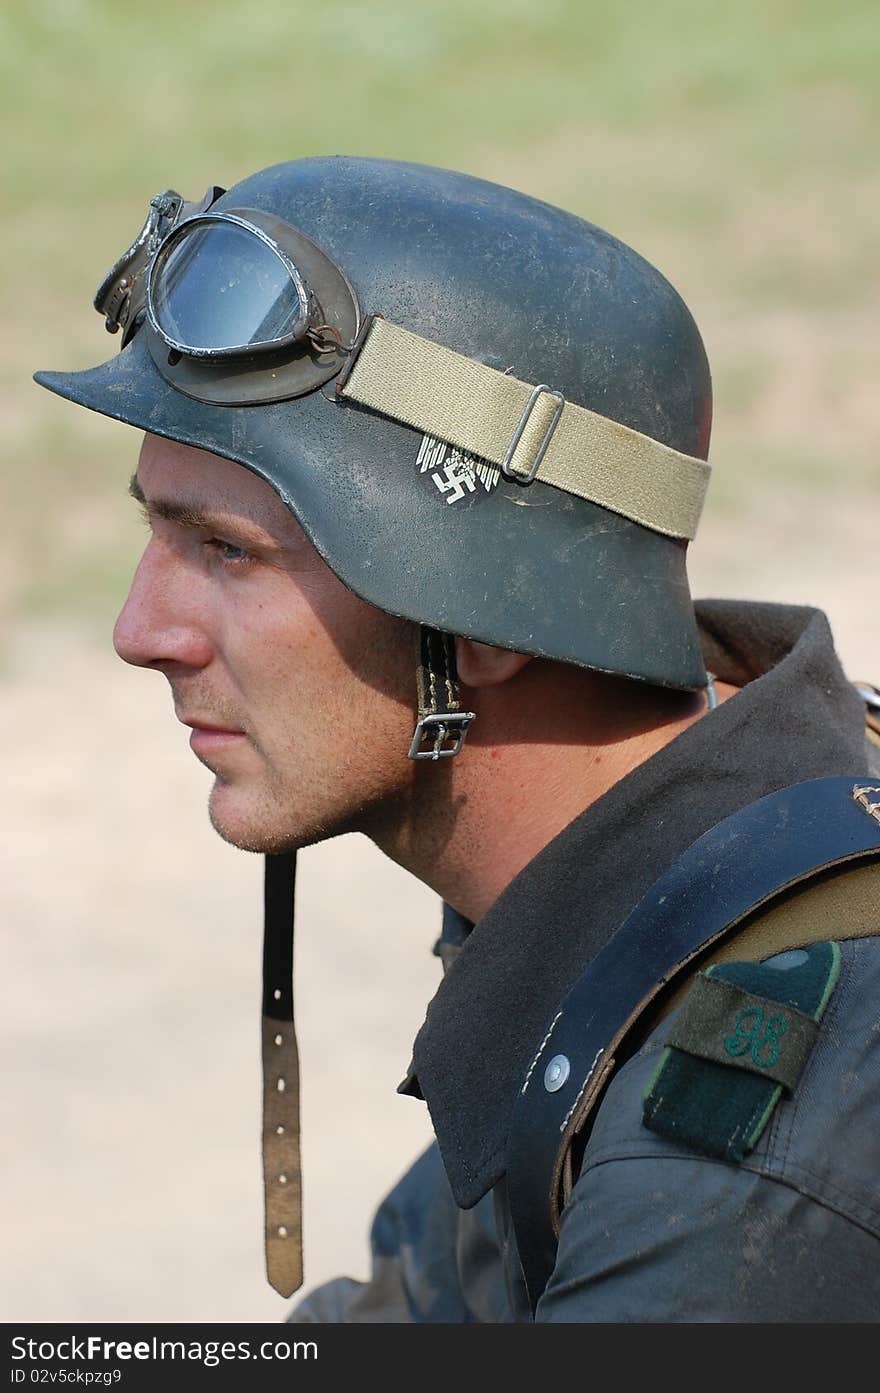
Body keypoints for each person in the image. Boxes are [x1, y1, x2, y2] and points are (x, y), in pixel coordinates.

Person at [36, 156, 880, 1323]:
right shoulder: (669, 879)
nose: (142, 633)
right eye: (155, 534)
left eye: (225, 550)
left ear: (484, 617)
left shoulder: (741, 1167)